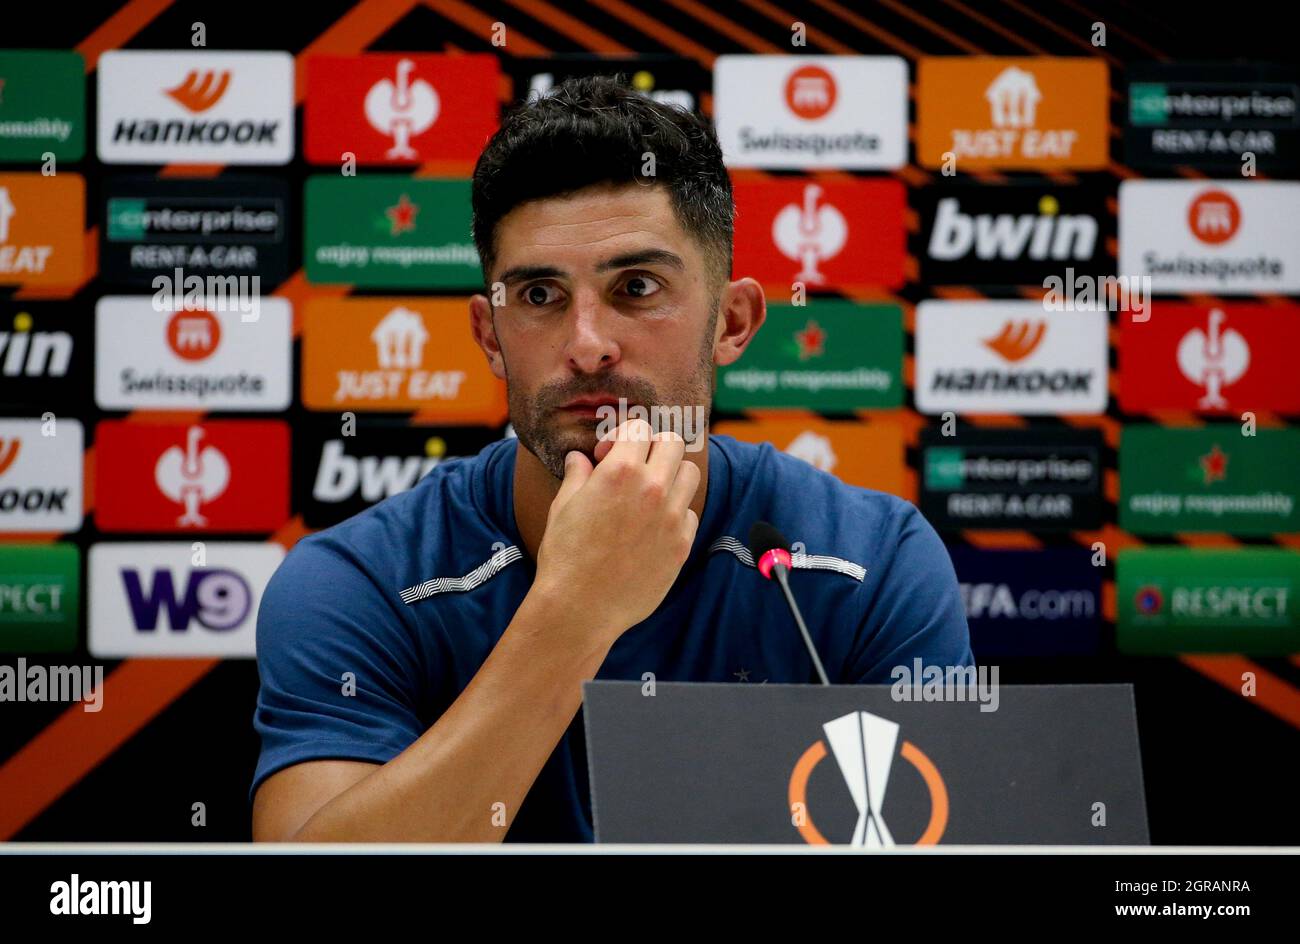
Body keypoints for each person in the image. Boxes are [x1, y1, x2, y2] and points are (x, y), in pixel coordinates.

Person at [250, 75, 972, 843]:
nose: (587, 344)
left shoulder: (871, 562)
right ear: (490, 336)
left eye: (635, 286)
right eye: (538, 297)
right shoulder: (358, 580)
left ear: (733, 322)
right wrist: (575, 613)